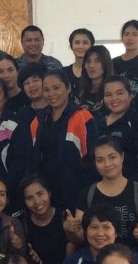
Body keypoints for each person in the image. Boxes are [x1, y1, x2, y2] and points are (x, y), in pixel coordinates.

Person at [23, 72, 97, 212]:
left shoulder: (83, 117)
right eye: (46, 90)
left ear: (68, 88)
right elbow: (31, 160)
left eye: (56, 88)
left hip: (76, 194)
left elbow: (92, 162)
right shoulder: (38, 121)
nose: (51, 94)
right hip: (46, 198)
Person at [73, 136, 138, 249]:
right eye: (100, 160)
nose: (107, 164)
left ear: (122, 156)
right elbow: (80, 238)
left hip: (128, 257)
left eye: (112, 157)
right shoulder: (87, 194)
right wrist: (71, 231)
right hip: (96, 257)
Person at [11, 175, 72, 264]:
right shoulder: (23, 223)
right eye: (29, 198)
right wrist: (18, 248)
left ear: (49, 192)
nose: (37, 201)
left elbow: (69, 262)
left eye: (40, 194)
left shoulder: (65, 217)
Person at [96, 75, 138, 179]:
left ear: (130, 95)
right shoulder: (97, 121)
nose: (114, 98)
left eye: (120, 93)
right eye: (108, 94)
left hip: (130, 182)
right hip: (101, 182)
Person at [77, 44, 114, 113]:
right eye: (88, 61)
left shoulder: (112, 90)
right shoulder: (78, 87)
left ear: (106, 63)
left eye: (97, 61)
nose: (91, 65)